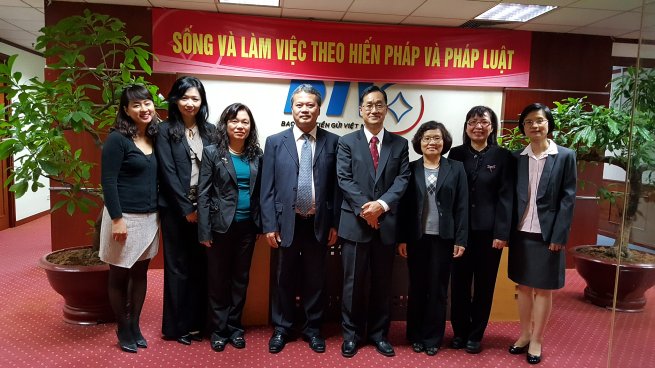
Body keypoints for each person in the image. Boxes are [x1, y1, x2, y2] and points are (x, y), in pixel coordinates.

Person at [260, 84, 340, 354]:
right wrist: (269, 225)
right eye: (299, 105)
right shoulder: (274, 141)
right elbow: (266, 189)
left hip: (319, 222)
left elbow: (337, 189)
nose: (304, 109)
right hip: (286, 224)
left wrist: (335, 223)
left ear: (318, 109)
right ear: (291, 109)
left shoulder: (333, 142)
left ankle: (313, 328)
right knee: (284, 277)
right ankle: (282, 328)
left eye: (310, 105)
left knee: (316, 279)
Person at [336, 85, 410, 358]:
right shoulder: (347, 142)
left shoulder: (400, 144)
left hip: (386, 224)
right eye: (369, 105)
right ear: (360, 110)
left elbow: (403, 180)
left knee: (382, 283)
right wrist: (366, 210)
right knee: (352, 284)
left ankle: (379, 334)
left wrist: (381, 206)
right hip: (354, 225)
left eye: (379, 104)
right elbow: (344, 179)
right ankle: (351, 335)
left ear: (387, 109)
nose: (374, 109)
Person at [508, 103, 576, 365]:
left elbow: (568, 199)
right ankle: (524, 334)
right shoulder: (517, 158)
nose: (534, 126)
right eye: (528, 122)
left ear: (549, 124)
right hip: (522, 232)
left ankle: (537, 338)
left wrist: (559, 236)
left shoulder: (565, 156)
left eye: (539, 121)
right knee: (523, 286)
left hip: (548, 235)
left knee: (544, 289)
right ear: (523, 127)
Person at [397, 121, 468, 356]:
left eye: (437, 138)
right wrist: (403, 239)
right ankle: (415, 334)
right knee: (417, 287)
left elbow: (462, 207)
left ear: (444, 141)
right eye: (427, 138)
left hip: (444, 238)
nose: (432, 143)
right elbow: (404, 208)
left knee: (438, 289)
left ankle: (433, 337)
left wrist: (461, 239)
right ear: (419, 142)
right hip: (417, 238)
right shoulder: (410, 168)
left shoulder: (456, 168)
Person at [197, 103, 263, 352]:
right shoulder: (213, 152)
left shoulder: (257, 154)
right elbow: (203, 194)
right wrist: (203, 230)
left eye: (245, 122)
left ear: (250, 126)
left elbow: (261, 192)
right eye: (234, 121)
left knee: (240, 280)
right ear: (225, 124)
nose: (240, 126)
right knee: (217, 281)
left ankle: (235, 328)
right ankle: (218, 329)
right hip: (219, 228)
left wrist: (260, 225)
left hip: (247, 228)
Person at [448, 106, 514, 354]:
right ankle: (459, 332)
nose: (478, 126)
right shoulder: (455, 154)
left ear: (492, 127)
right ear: (466, 127)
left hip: (489, 234)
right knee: (460, 285)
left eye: (483, 122)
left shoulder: (503, 156)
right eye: (472, 122)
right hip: (460, 233)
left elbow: (506, 197)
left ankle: (476, 334)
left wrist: (501, 233)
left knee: (484, 286)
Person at [100, 85, 159, 353]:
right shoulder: (117, 139)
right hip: (124, 216)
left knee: (140, 272)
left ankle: (134, 324)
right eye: (136, 105)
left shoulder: (156, 137)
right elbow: (108, 181)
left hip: (150, 217)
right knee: (119, 273)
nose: (144, 109)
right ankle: (122, 326)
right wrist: (116, 219)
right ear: (125, 110)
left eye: (147, 103)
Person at [156, 76, 214, 345]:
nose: (190, 103)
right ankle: (177, 327)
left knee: (202, 267)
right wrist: (186, 208)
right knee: (178, 268)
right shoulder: (165, 131)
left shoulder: (211, 131)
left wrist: (204, 207)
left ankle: (198, 324)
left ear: (202, 102)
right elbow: (167, 173)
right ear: (175, 100)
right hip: (176, 210)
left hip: (206, 210)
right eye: (185, 98)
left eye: (195, 98)